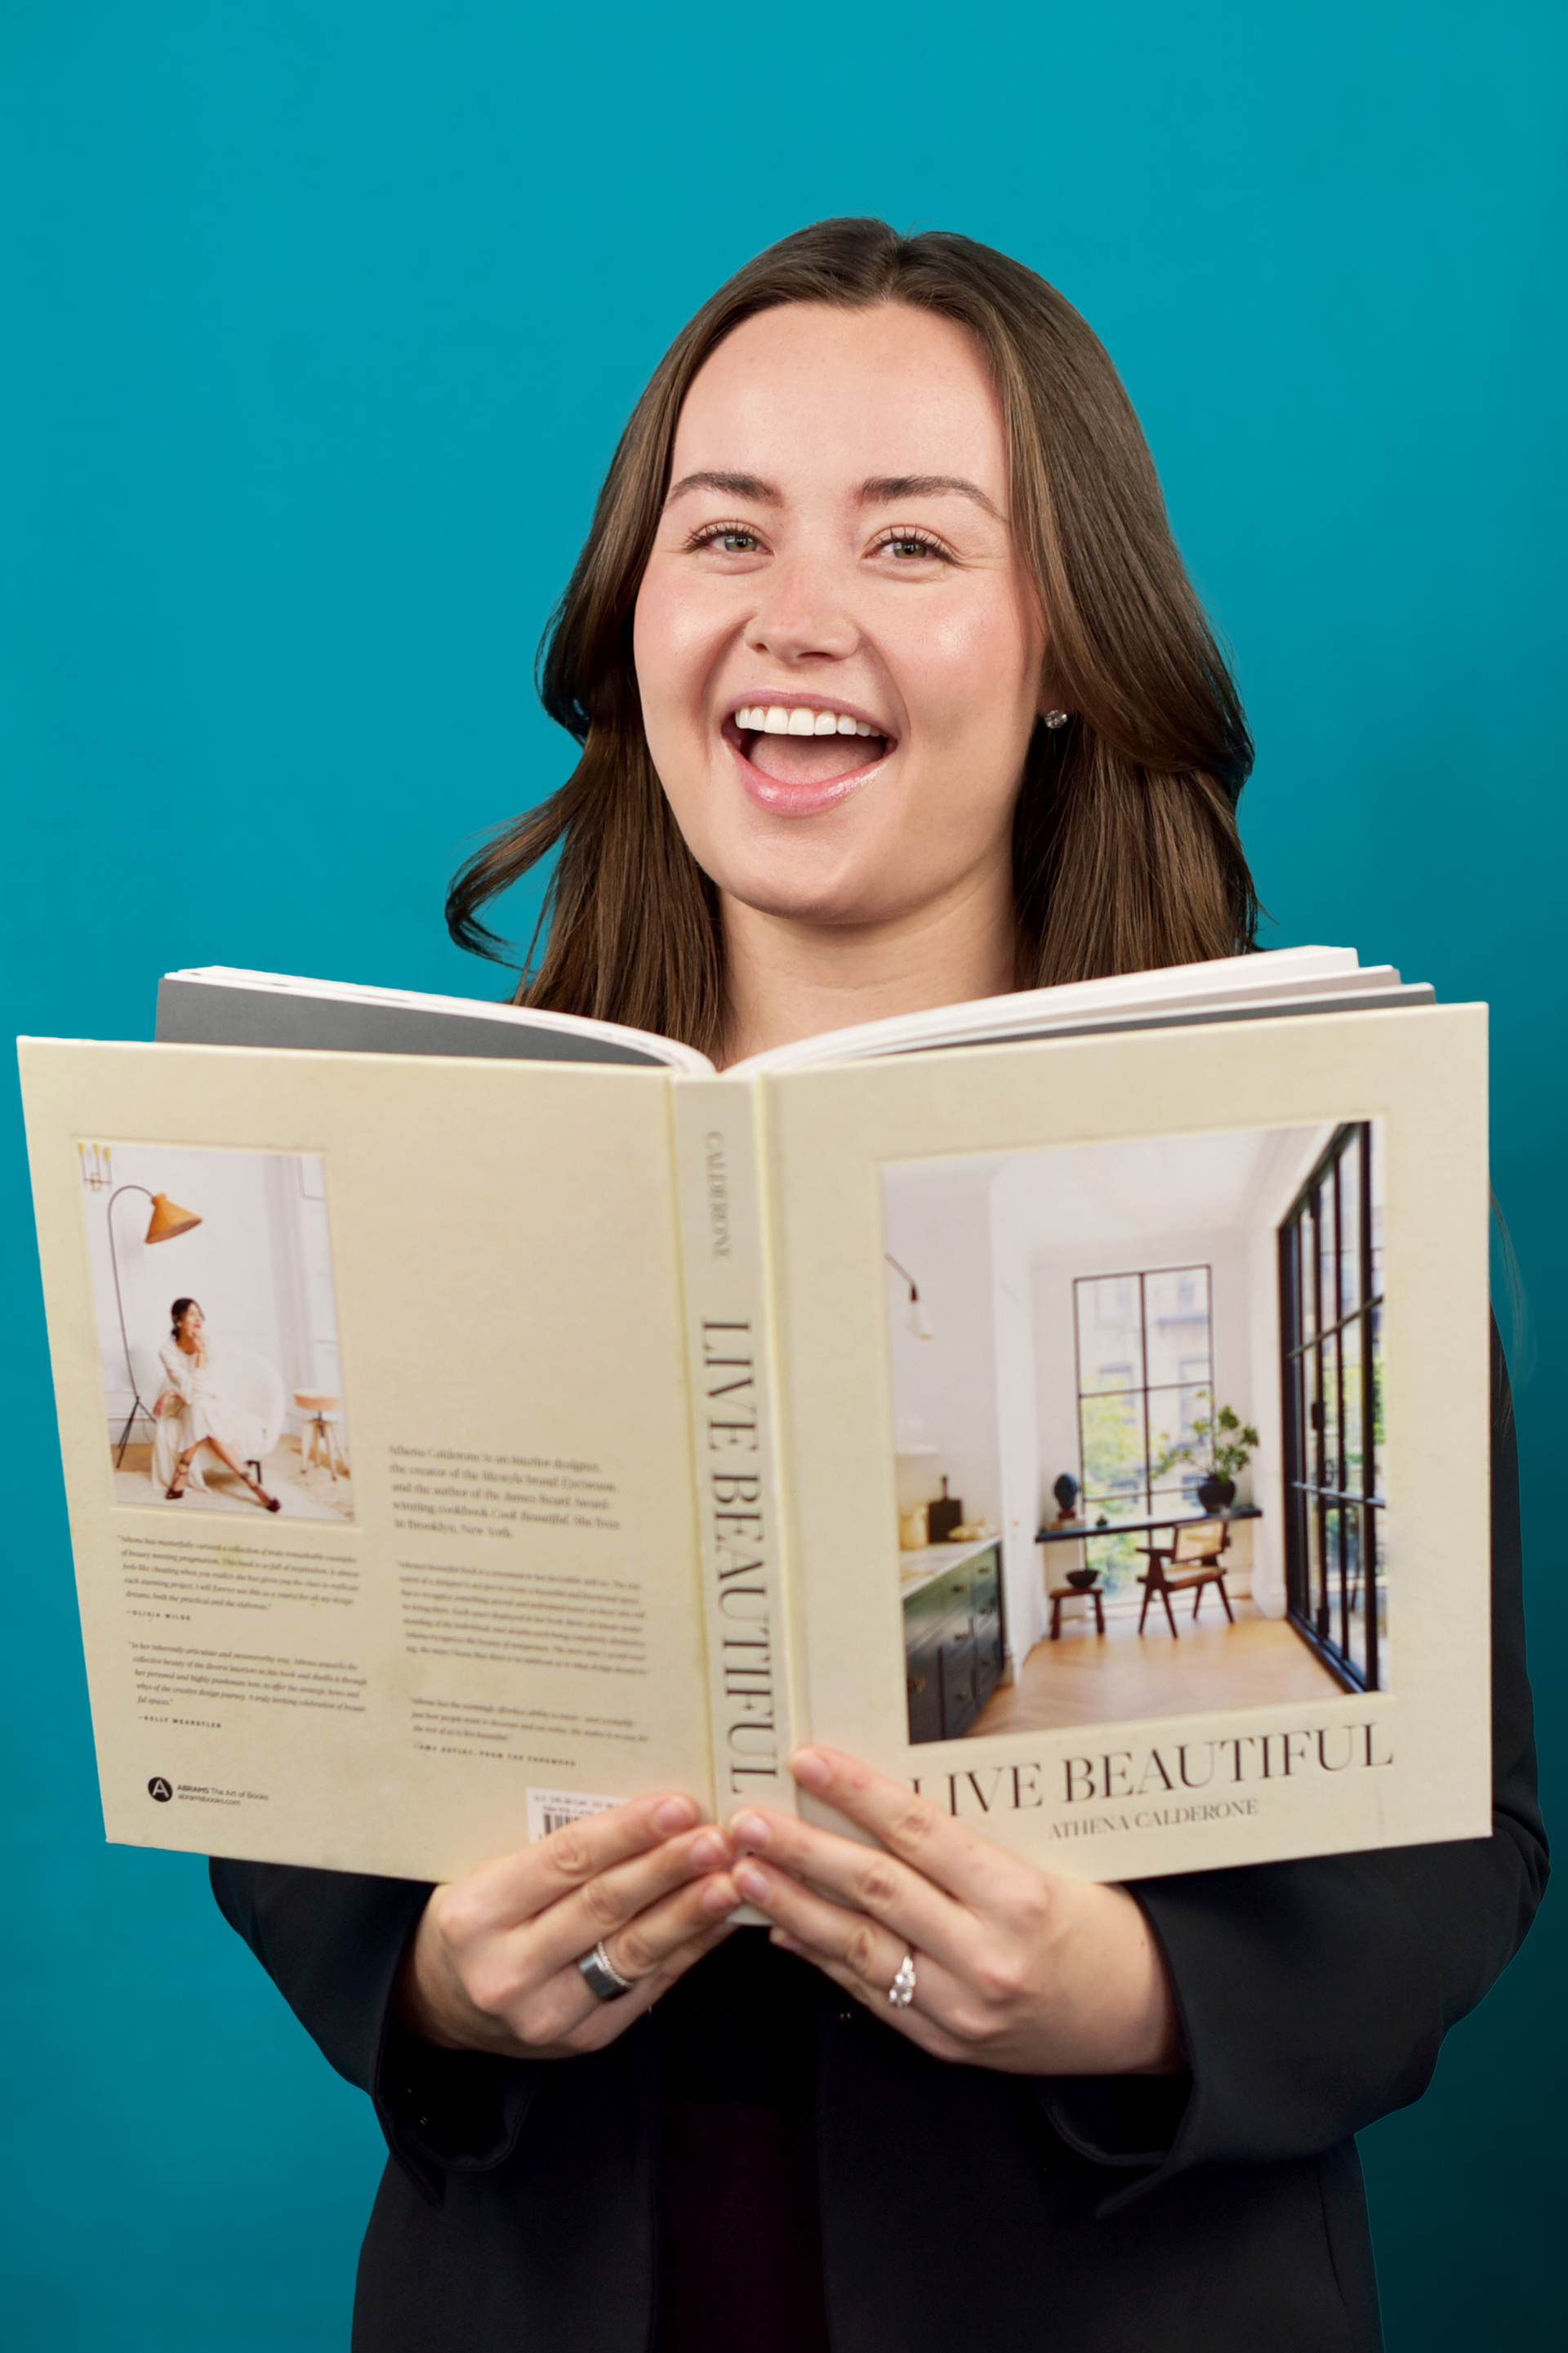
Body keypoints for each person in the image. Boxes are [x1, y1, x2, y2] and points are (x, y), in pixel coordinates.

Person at [210, 221, 1544, 2352]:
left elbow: (1455, 1848)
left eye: (910, 545)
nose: (790, 620)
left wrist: (1118, 1998)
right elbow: (292, 1774)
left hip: (1116, 2289)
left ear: (1066, 648)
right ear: (633, 612)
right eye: (720, 531)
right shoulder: (440, 1158)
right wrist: (447, 1979)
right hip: (547, 2281)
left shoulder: (1294, 1158)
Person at [152, 1297, 280, 1510]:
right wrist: (181, 1388)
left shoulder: (211, 1345)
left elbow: (204, 1390)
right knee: (199, 1407)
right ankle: (252, 1484)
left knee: (201, 1407)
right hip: (186, 1406)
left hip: (212, 1402)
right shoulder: (167, 1351)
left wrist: (200, 1353)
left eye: (199, 1314)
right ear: (177, 1320)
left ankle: (182, 1470)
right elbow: (192, 1394)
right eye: (192, 1314)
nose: (198, 1318)